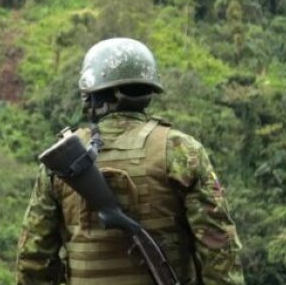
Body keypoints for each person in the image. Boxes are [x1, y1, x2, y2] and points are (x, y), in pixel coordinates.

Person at [16, 38, 244, 284]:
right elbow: (219, 249)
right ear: (148, 93)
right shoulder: (181, 150)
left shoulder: (62, 160)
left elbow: (34, 259)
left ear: (90, 94)